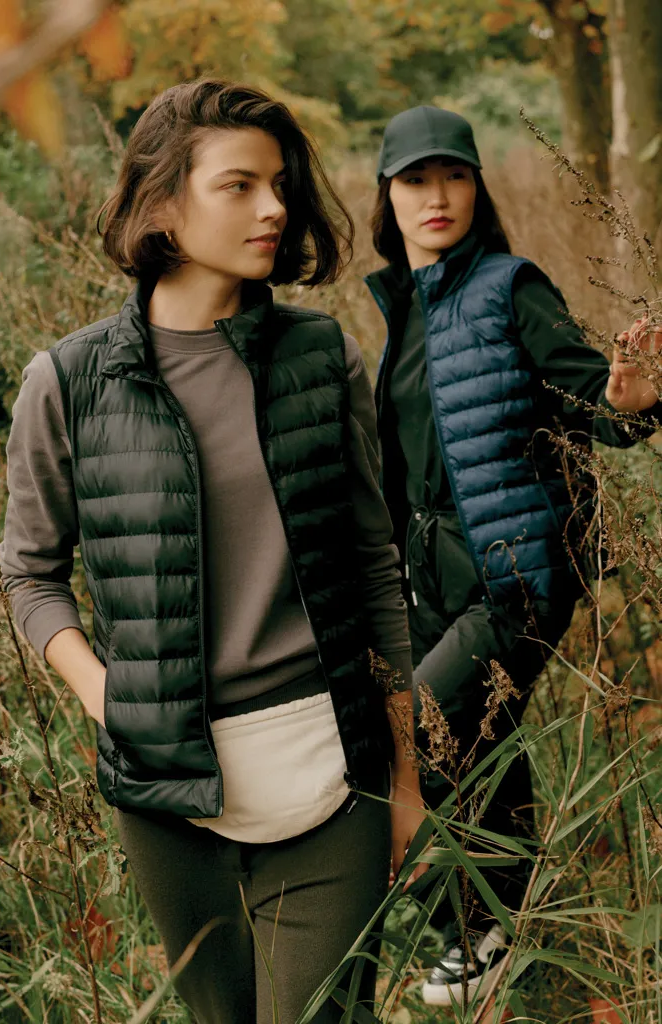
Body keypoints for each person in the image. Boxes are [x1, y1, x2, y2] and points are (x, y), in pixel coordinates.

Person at [0, 80, 427, 1024]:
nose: (273, 207)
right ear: (161, 205)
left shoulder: (321, 356)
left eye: (279, 184)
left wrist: (404, 777)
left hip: (330, 768)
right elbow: (29, 572)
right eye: (239, 185)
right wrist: (104, 694)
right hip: (166, 791)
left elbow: (375, 567)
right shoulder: (68, 379)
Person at [365, 104, 661, 1008]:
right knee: (475, 737)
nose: (436, 196)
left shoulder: (508, 286)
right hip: (428, 572)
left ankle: (477, 931)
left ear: (476, 188)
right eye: (415, 180)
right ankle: (500, 926)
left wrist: (630, 400)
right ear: (387, 196)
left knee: (417, 730)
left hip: (513, 572)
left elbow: (593, 405)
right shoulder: (401, 307)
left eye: (453, 175)